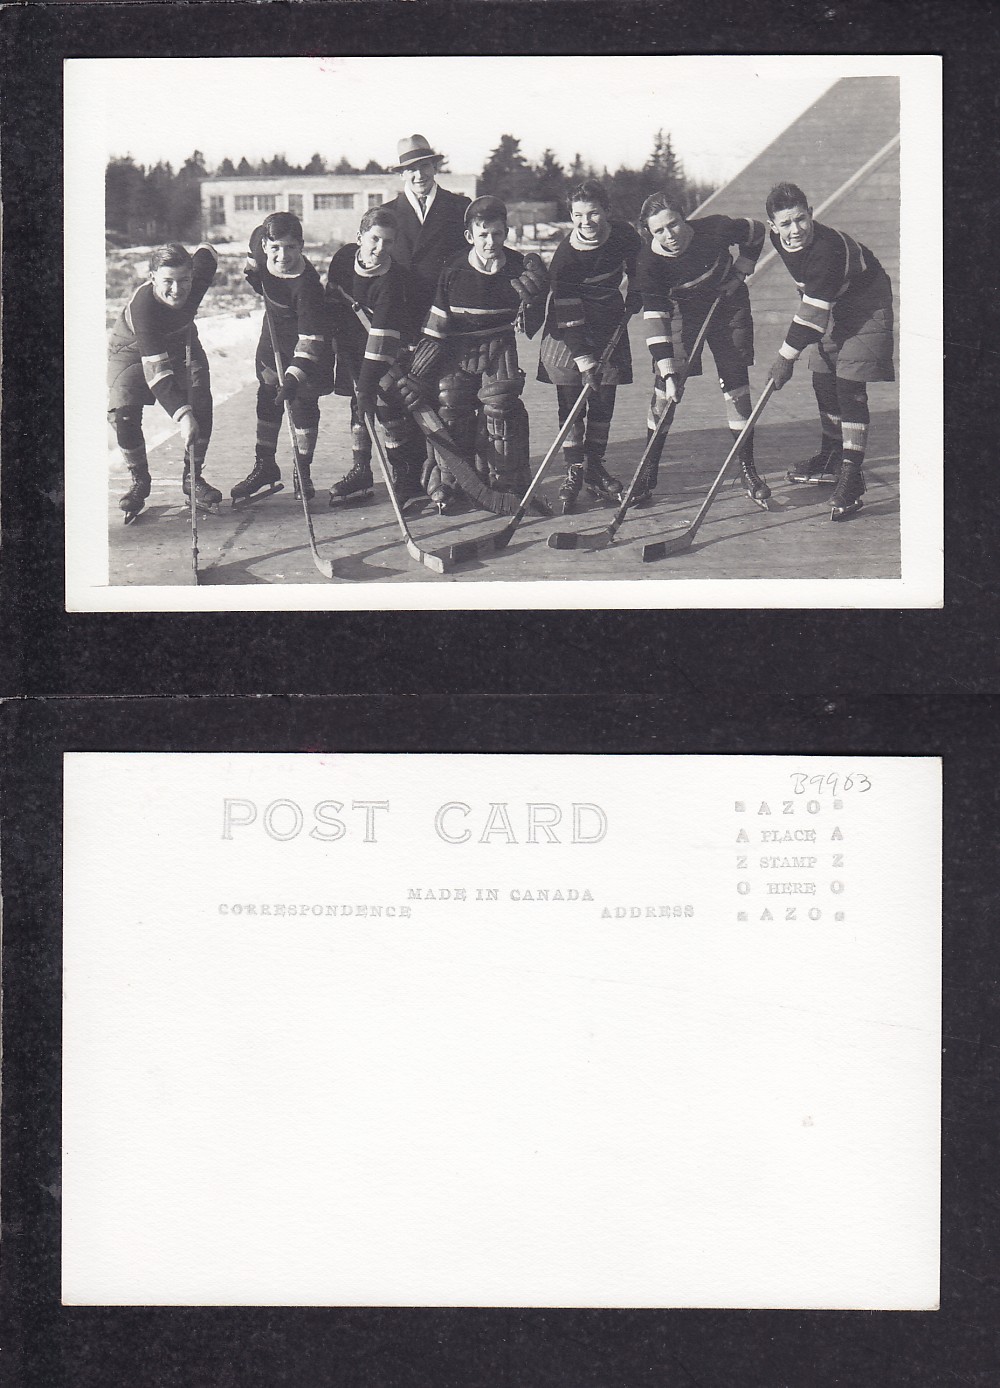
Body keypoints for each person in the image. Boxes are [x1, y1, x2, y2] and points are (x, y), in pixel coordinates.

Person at [398, 195, 548, 512]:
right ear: (470, 236)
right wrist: (417, 375)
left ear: (506, 232)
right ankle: (453, 484)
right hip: (457, 345)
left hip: (499, 344)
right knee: (451, 404)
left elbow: (530, 327)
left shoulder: (519, 267)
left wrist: (537, 299)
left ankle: (504, 483)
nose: (490, 241)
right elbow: (437, 326)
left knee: (501, 403)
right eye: (483, 234)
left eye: (496, 233)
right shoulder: (454, 268)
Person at [764, 181, 895, 520]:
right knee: (823, 377)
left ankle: (852, 476)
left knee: (849, 383)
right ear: (773, 227)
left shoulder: (827, 249)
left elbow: (811, 319)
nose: (795, 230)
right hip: (830, 300)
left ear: (811, 214)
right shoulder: (777, 239)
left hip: (867, 300)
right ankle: (832, 455)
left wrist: (784, 358)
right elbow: (813, 302)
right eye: (786, 223)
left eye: (801, 219)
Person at [635, 193, 770, 508]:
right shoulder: (648, 263)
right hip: (684, 312)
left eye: (674, 224)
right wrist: (668, 372)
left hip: (727, 302)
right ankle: (648, 470)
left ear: (685, 218)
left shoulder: (716, 228)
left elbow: (757, 231)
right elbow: (655, 319)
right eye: (659, 231)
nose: (670, 236)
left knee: (735, 385)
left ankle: (748, 468)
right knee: (665, 391)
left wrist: (741, 271)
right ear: (648, 232)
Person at [537, 180, 642, 513]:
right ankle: (574, 470)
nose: (586, 221)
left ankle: (594, 467)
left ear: (606, 211)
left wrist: (637, 289)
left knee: (603, 398)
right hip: (569, 328)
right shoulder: (565, 259)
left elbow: (640, 265)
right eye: (578, 215)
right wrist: (583, 361)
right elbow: (567, 315)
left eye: (593, 212)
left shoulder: (624, 234)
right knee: (572, 403)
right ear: (571, 216)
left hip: (609, 318)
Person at [107, 241, 221, 522]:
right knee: (124, 411)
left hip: (182, 340)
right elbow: (156, 372)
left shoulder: (199, 274)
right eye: (167, 281)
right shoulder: (144, 306)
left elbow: (208, 251)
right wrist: (182, 416)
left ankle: (192, 479)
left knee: (200, 399)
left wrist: (256, 259)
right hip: (133, 349)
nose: (177, 289)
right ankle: (139, 481)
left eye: (184, 280)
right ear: (152, 277)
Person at [325, 206, 425, 506]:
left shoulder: (392, 282)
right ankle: (361, 470)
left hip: (390, 350)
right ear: (360, 237)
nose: (381, 249)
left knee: (387, 409)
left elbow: (382, 341)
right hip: (353, 346)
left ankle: (404, 477)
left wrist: (367, 386)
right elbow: (330, 299)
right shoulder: (343, 259)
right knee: (359, 407)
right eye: (375, 240)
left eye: (388, 242)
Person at [231, 212, 333, 504]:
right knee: (268, 398)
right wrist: (253, 272)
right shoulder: (260, 249)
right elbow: (254, 264)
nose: (282, 255)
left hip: (308, 346)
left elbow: (311, 341)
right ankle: (265, 465)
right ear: (265, 245)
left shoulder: (308, 286)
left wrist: (293, 376)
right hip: (273, 339)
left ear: (300, 246)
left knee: (302, 405)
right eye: (275, 247)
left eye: (290, 247)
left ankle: (302, 470)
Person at [383, 134, 472, 344]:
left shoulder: (460, 207)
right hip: (404, 319)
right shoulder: (386, 214)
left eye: (424, 166)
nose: (419, 175)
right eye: (411, 169)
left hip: (450, 316)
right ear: (402, 174)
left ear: (435, 167)